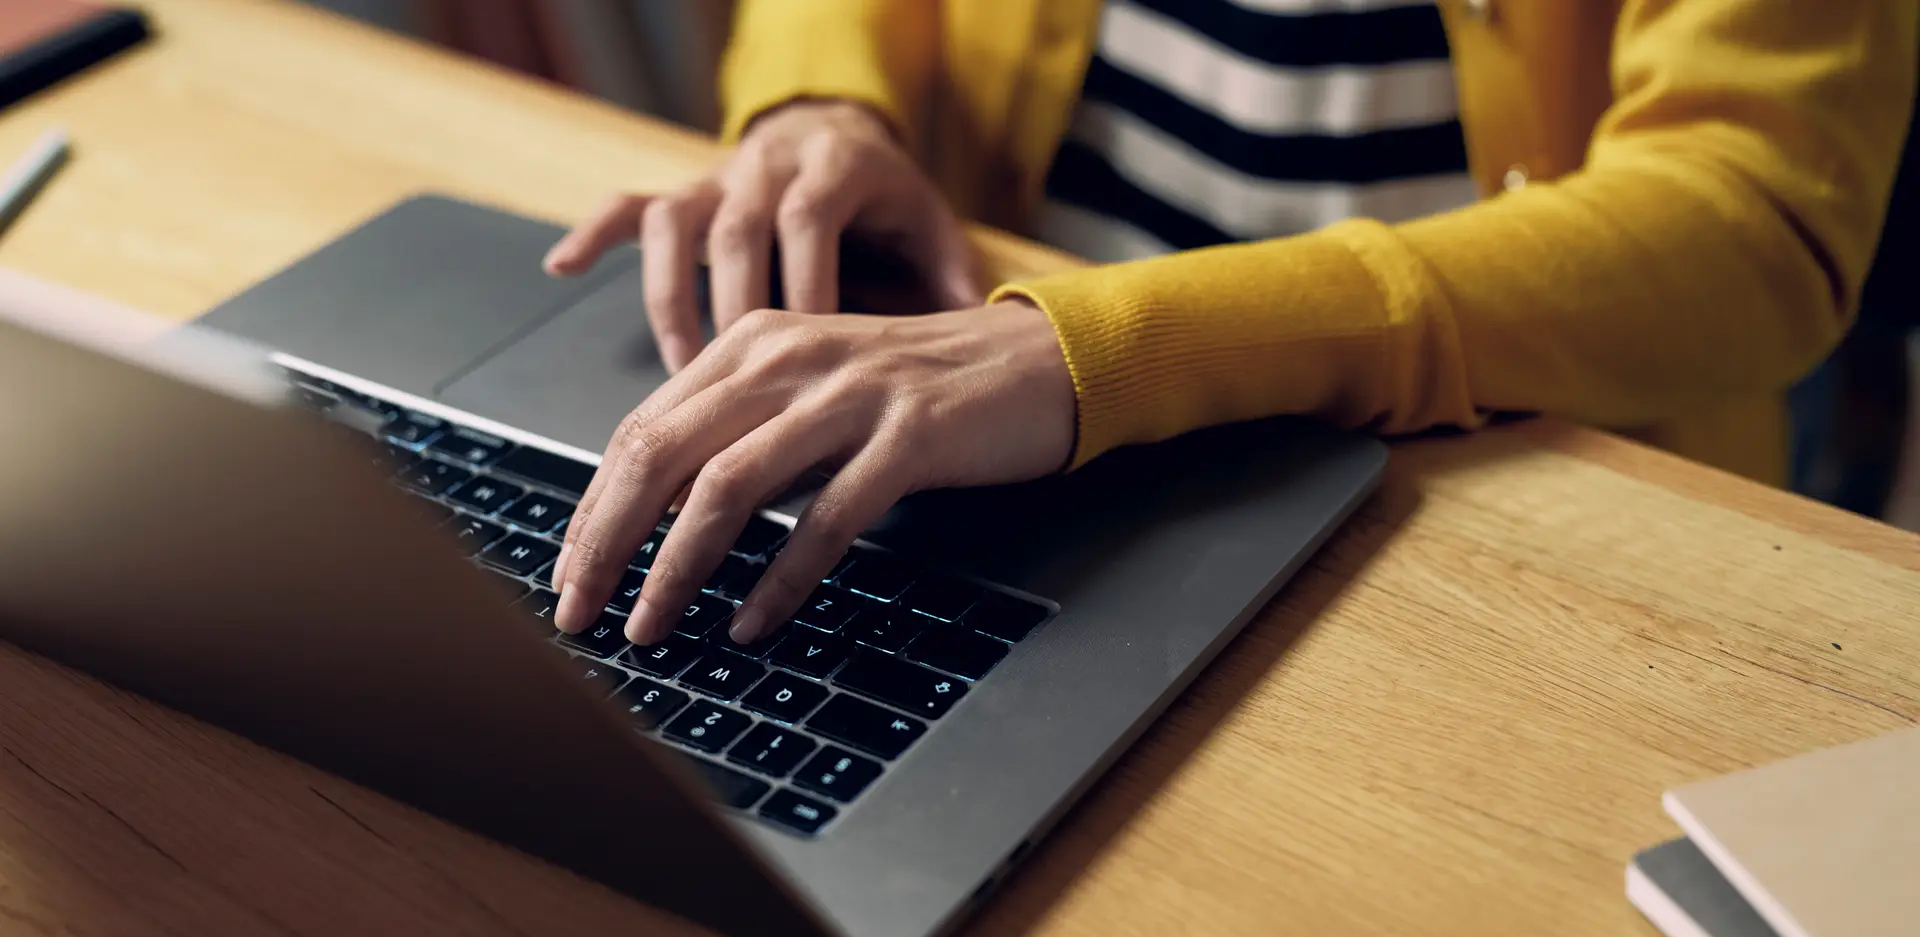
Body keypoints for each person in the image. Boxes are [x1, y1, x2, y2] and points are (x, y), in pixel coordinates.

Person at [538, 0, 1916, 648]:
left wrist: (1097, 347)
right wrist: (821, 101)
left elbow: (1749, 223)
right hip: (979, 390)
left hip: (1494, 479)